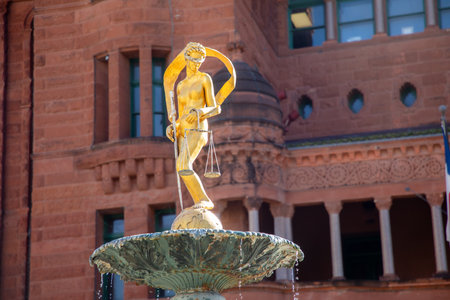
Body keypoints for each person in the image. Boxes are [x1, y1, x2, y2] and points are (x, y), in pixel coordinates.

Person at [165, 42, 233, 210]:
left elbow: (215, 107)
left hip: (198, 126)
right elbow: (180, 116)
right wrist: (173, 126)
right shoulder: (180, 86)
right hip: (183, 131)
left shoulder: (204, 79)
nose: (196, 64)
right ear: (186, 59)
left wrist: (198, 111)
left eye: (199, 61)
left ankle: (203, 200)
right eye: (193, 60)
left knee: (183, 165)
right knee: (181, 167)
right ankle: (198, 201)